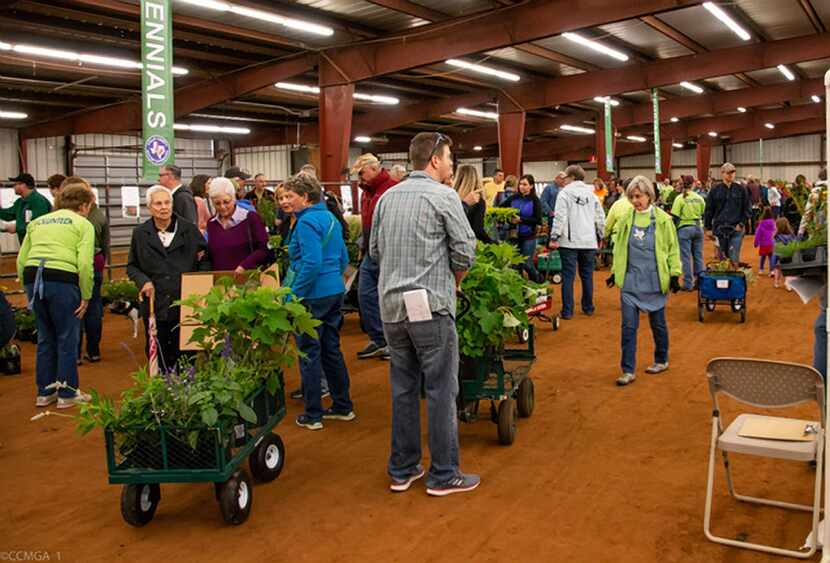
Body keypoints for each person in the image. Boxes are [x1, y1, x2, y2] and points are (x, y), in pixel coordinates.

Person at [370, 131, 479, 496]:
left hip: (391, 308)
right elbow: (465, 252)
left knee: (403, 389)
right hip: (430, 307)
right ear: (434, 159)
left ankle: (402, 469)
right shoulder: (444, 196)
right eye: (450, 158)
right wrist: (455, 280)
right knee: (440, 390)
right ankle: (444, 474)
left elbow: (373, 252)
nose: (452, 164)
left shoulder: (387, 198)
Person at [281, 173, 354, 431]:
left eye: (291, 196)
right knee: (331, 349)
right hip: (334, 292)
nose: (286, 201)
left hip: (312, 296)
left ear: (306, 197)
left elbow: (311, 263)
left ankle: (313, 415)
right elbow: (344, 258)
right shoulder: (331, 218)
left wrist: (293, 295)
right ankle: (343, 406)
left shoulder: (306, 223)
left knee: (309, 353)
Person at [17, 181, 94, 408]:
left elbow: (22, 260)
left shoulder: (38, 222)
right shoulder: (82, 224)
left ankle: (45, 392)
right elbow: (84, 264)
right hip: (62, 280)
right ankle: (67, 394)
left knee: (45, 337)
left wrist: (27, 290)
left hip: (34, 278)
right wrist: (86, 295)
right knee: (66, 337)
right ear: (83, 205)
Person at [606, 176, 681, 386]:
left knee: (658, 324)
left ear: (649, 195)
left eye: (638, 196)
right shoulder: (626, 219)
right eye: (632, 197)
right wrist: (614, 272)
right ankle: (627, 370)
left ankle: (661, 359)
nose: (635, 201)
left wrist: (674, 274)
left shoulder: (663, 220)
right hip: (630, 281)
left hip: (655, 280)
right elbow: (619, 247)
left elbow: (672, 249)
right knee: (628, 327)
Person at [127, 186, 210, 369]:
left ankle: (187, 391)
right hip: (155, 304)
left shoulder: (189, 230)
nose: (164, 207)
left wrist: (197, 284)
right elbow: (132, 266)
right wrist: (143, 281)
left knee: (186, 355)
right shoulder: (140, 233)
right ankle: (163, 391)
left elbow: (205, 259)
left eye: (167, 203)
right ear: (149, 207)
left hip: (185, 304)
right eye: (158, 203)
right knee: (158, 352)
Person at [53, 177, 110, 363]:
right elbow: (105, 243)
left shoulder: (63, 215)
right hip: (96, 262)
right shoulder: (99, 214)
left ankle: (74, 353)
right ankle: (94, 351)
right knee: (93, 308)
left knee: (74, 308)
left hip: (73, 265)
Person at [352, 153, 397, 360]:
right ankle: (379, 339)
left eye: (361, 173)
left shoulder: (392, 189)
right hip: (370, 253)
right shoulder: (366, 193)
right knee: (365, 295)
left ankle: (393, 343)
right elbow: (366, 224)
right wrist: (363, 246)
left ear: (373, 168)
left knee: (390, 299)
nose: (359, 178)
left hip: (389, 253)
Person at [550, 165, 605, 319]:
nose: (564, 180)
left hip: (569, 242)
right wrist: (601, 235)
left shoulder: (564, 194)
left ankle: (568, 311)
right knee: (587, 275)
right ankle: (588, 307)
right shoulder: (592, 193)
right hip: (588, 241)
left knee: (568, 276)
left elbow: (560, 217)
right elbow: (600, 217)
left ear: (572, 177)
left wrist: (554, 236)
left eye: (566, 177)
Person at [206, 177, 270, 273]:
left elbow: (264, 249)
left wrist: (245, 266)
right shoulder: (211, 223)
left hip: (247, 279)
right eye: (217, 203)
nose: (222, 207)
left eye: (226, 202)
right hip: (220, 281)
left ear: (234, 198)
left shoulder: (251, 218)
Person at [704, 162, 751, 263]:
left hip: (736, 229)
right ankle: (725, 278)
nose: (731, 175)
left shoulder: (741, 189)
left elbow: (747, 209)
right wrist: (707, 227)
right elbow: (709, 210)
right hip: (720, 229)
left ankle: (733, 276)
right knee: (722, 260)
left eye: (733, 172)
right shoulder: (715, 190)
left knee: (733, 257)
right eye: (728, 172)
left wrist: (741, 223)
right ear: (722, 173)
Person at [499, 174, 542, 281]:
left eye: (525, 184)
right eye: (520, 184)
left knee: (527, 264)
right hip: (513, 236)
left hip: (528, 236)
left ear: (531, 186)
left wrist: (521, 220)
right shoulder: (514, 197)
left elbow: (538, 220)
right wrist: (508, 217)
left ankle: (537, 280)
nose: (521, 186)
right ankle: (520, 287)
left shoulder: (535, 200)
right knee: (514, 265)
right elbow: (501, 208)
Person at [671, 176, 706, 291]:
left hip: (684, 229)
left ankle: (688, 283)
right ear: (693, 184)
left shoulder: (680, 198)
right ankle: (701, 282)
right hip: (698, 228)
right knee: (698, 256)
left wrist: (674, 230)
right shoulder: (699, 198)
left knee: (686, 258)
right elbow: (703, 212)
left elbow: (675, 217)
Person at [1, 173, 52, 243]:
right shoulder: (21, 202)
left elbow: (38, 224)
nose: (13, 187)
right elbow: (8, 215)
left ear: (23, 185)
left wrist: (17, 228)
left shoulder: (38, 201)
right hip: (26, 244)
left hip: (38, 243)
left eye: (15, 184)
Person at [453, 164, 492, 243]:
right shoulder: (478, 200)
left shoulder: (450, 196)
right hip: (467, 244)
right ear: (476, 178)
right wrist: (492, 243)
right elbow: (478, 230)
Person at [771, 217, 796, 288]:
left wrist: (774, 260)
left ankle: (776, 282)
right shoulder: (792, 235)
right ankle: (787, 283)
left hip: (780, 257)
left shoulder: (776, 236)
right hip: (789, 256)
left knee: (777, 268)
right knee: (788, 269)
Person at [753, 207, 776, 274]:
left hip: (763, 243)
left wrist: (756, 243)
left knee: (763, 257)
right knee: (771, 257)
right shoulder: (773, 222)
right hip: (771, 242)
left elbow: (758, 234)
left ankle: (761, 269)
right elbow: (775, 232)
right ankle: (772, 271)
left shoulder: (761, 223)